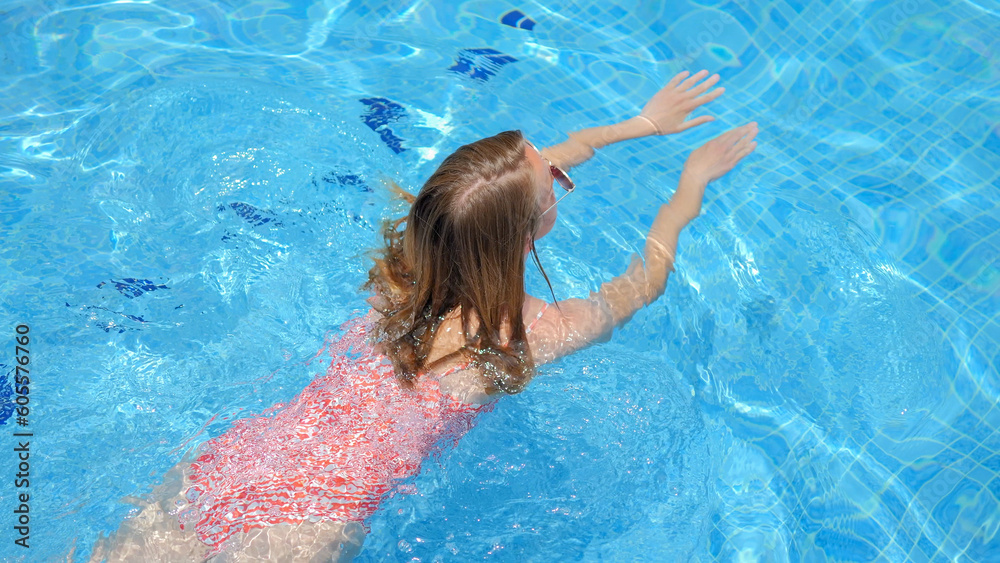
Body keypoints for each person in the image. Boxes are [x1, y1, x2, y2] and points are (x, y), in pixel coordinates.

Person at [85, 69, 757, 562]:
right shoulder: (527, 335)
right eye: (549, 174)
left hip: (243, 459)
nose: (557, 168)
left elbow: (522, 174)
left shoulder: (405, 269)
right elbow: (644, 280)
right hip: (312, 521)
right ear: (526, 240)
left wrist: (639, 124)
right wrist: (690, 182)